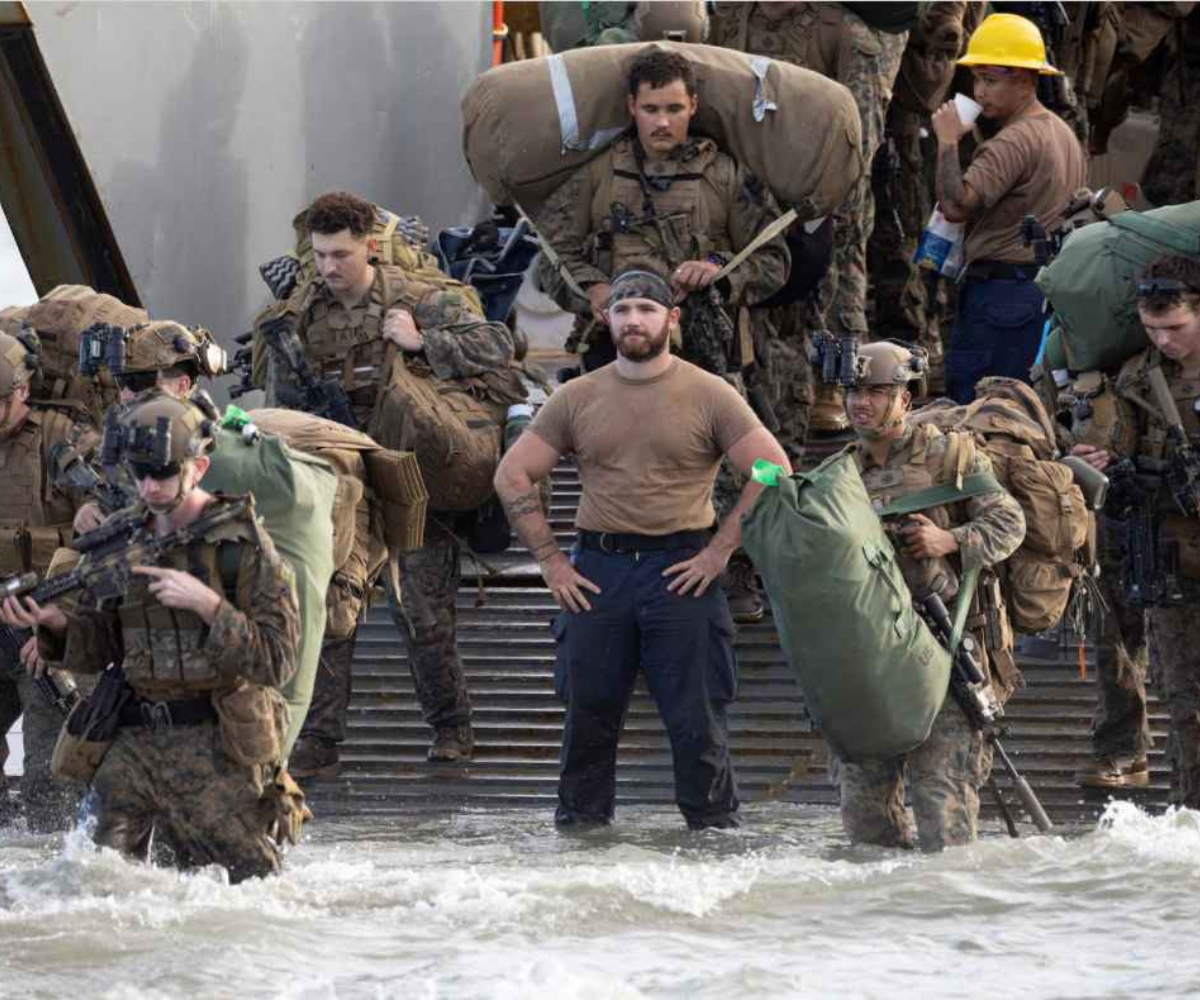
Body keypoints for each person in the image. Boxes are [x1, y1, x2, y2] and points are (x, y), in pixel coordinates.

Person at [494, 269, 792, 830]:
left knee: (697, 718)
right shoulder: (577, 396)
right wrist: (552, 562)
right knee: (588, 715)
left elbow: (773, 468)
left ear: (671, 319)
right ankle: (581, 840)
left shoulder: (709, 393)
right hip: (598, 572)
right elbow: (512, 474)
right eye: (624, 310)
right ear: (606, 318)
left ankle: (712, 838)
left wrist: (721, 551)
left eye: (647, 310)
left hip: (682, 569)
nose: (634, 320)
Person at [2, 392, 303, 881]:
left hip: (217, 746)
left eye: (163, 474)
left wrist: (210, 607)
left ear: (198, 468)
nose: (150, 487)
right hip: (133, 743)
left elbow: (279, 660)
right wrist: (56, 625)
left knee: (251, 889)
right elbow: (100, 648)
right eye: (141, 474)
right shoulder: (120, 541)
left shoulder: (241, 546)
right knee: (95, 882)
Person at [535, 47, 789, 623]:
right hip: (618, 350)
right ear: (632, 107)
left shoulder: (724, 175)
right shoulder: (600, 175)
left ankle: (733, 567)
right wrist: (593, 289)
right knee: (615, 457)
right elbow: (551, 256)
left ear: (693, 106)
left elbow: (775, 258)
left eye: (674, 108)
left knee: (732, 464)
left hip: (708, 348)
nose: (663, 121)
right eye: (651, 109)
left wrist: (721, 272)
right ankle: (608, 566)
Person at [264, 190, 518, 763]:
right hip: (338, 480)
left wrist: (424, 341)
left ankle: (451, 728)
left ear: (371, 248)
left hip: (407, 474)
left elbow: (496, 346)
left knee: (422, 614)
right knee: (331, 608)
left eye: (341, 254)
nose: (329, 267)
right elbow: (282, 404)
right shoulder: (301, 314)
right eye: (320, 255)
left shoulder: (417, 297)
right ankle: (319, 737)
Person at [838, 341, 1025, 850]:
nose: (861, 403)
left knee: (942, 804)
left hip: (947, 644)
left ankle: (948, 899)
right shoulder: (841, 472)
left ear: (905, 397)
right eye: (853, 391)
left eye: (877, 391)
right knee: (864, 814)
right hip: (873, 654)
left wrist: (951, 540)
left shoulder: (949, 455)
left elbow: (1009, 522)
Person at [710, 2, 909, 438]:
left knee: (836, 290)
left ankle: (836, 385)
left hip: (828, 186)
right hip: (756, 182)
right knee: (767, 297)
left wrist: (825, 199)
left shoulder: (842, 29)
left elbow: (861, 132)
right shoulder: (732, 17)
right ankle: (769, 388)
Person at [1067, 255, 1200, 807]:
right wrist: (1104, 457)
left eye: (1175, 327)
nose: (1164, 340)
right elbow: (1115, 443)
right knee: (1185, 699)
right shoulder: (1137, 376)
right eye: (1151, 328)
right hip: (1168, 552)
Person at [931, 12, 1087, 404]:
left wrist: (947, 141)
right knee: (1023, 408)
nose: (979, 92)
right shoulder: (1061, 132)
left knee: (980, 410)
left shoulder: (1013, 141)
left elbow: (955, 205)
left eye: (990, 80)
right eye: (977, 79)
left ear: (1025, 79)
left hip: (1000, 298)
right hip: (1039, 294)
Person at [0, 330, 98, 830]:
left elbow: (105, 535)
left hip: (44, 621)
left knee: (48, 777)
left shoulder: (64, 440)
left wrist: (60, 623)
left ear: (20, 391)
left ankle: (54, 862)